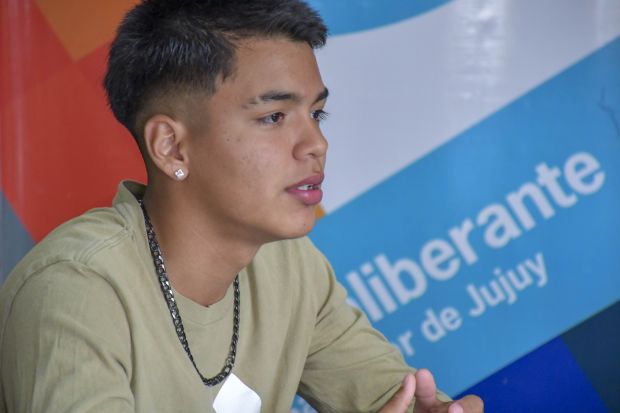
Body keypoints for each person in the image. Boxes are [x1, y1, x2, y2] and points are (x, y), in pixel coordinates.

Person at [0, 1, 483, 412]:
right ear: (172, 147)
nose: (316, 144)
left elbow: (392, 397)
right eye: (273, 117)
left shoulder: (289, 265)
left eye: (317, 113)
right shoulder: (75, 291)